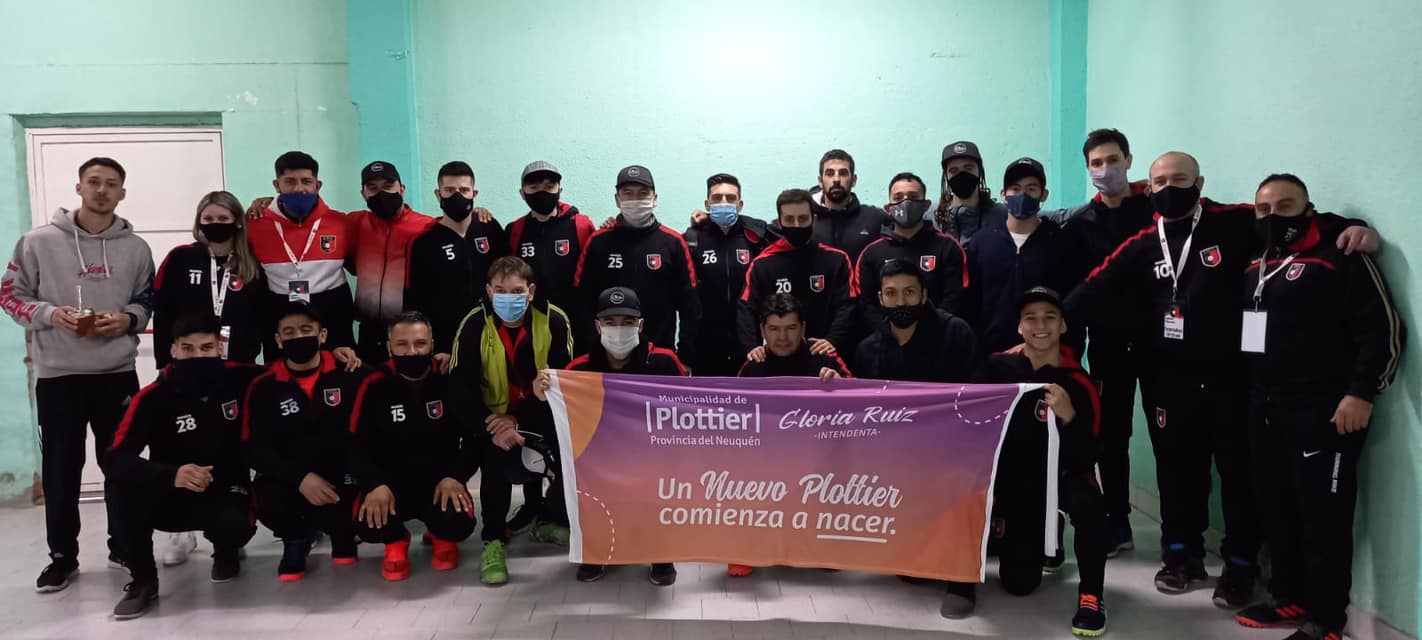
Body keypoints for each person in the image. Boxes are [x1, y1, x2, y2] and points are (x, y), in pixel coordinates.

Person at [1065, 151, 1378, 607]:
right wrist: (1043, 331)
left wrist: (1352, 227)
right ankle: (1181, 555)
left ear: (1199, 183)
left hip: (1232, 380)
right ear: (1148, 189)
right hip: (1169, 380)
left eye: (1180, 179)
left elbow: (1291, 218)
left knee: (1239, 476)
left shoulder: (1233, 221)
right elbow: (1093, 286)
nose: (1169, 188)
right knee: (1177, 473)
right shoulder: (1143, 241)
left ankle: (1239, 566)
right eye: (1159, 181)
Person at [1231, 174, 1404, 640]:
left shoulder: (1340, 256)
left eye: (1285, 207)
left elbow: (1383, 330)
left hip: (1325, 410)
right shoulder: (1257, 262)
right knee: (1276, 509)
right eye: (1264, 209)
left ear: (1309, 211)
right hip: (1265, 407)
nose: (1273, 217)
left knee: (1323, 517)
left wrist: (1361, 392)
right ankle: (1287, 596)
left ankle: (1326, 619)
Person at [1, 157, 155, 593]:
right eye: (94, 182)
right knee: (61, 470)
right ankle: (62, 557)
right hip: (58, 376)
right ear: (79, 187)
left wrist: (128, 319)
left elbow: (148, 298)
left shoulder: (136, 248)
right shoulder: (37, 242)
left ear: (122, 192)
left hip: (117, 374)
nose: (102, 190)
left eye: (111, 184)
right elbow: (9, 295)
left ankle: (123, 546)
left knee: (121, 464)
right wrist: (50, 314)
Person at [961, 287, 1107, 636]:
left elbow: (1090, 453)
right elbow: (968, 418)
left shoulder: (1079, 382)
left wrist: (1069, 416)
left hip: (1061, 475)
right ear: (1019, 326)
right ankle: (1039, 531)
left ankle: (1091, 595)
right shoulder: (998, 367)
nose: (1040, 326)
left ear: (1063, 326)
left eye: (1049, 318)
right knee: (1019, 584)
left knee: (1089, 502)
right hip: (1016, 480)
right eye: (1031, 318)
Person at [104, 313, 262, 619]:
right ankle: (143, 580)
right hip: (172, 490)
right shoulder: (151, 397)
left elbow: (291, 372)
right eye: (188, 349)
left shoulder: (241, 377)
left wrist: (337, 356)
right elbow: (115, 459)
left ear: (219, 347)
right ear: (174, 350)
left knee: (235, 524)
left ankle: (226, 551)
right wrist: (171, 474)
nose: (198, 355)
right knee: (121, 488)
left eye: (206, 348)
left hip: (227, 488)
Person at [149, 190, 263, 567]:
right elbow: (162, 313)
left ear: (237, 222)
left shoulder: (250, 263)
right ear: (199, 221)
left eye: (223, 219)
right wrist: (165, 362)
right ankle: (181, 532)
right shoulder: (181, 259)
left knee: (231, 447)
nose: (216, 225)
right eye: (209, 219)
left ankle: (228, 531)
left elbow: (263, 317)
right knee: (181, 443)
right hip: (187, 367)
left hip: (236, 372)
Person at [447, 256, 575, 585]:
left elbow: (565, 383)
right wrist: (492, 424)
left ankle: (547, 519)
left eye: (517, 291)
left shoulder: (554, 320)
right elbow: (459, 388)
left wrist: (517, 418)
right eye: (500, 290)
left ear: (530, 291)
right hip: (490, 419)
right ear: (489, 292)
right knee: (495, 461)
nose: (509, 297)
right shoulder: (474, 323)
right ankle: (492, 539)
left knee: (570, 465)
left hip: (542, 413)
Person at [1058, 129, 1157, 556]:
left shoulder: (1156, 208)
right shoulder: (1080, 224)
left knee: (1172, 439)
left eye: (1113, 160)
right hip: (1107, 345)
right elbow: (1076, 293)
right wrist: (1069, 354)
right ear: (1087, 169)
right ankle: (1118, 520)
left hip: (1161, 344)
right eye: (1096, 163)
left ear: (1129, 160)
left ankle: (1179, 536)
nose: (1105, 169)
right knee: (1113, 437)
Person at [562, 287, 684, 585]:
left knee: (662, 479)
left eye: (627, 322)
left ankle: (661, 552)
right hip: (601, 458)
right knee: (581, 483)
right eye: (611, 321)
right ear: (598, 326)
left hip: (652, 456)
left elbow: (687, 410)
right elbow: (561, 411)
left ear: (640, 325)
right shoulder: (579, 369)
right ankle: (596, 550)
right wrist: (544, 392)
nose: (619, 329)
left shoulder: (664, 363)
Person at [242, 302, 371, 581]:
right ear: (278, 340)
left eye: (306, 330)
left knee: (354, 505)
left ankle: (343, 534)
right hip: (293, 479)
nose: (298, 337)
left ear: (322, 335)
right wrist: (300, 478)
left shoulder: (350, 372)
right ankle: (296, 539)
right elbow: (254, 448)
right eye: (289, 332)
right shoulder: (264, 386)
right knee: (268, 498)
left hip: (341, 476)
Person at [724, 293, 850, 577]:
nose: (782, 337)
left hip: (818, 464)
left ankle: (821, 542)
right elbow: (734, 420)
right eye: (774, 329)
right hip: (766, 463)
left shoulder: (823, 357)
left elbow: (864, 406)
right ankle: (745, 546)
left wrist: (840, 385)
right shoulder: (754, 365)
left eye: (791, 328)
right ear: (762, 330)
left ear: (803, 328)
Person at [348, 312, 479, 582]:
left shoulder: (448, 379)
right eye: (402, 344)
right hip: (391, 484)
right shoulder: (373, 384)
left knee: (458, 523)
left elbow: (473, 437)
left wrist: (456, 476)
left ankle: (441, 535)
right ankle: (396, 540)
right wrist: (374, 484)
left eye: (420, 344)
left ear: (432, 344)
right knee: (368, 523)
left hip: (439, 482)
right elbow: (354, 445)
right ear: (389, 347)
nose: (411, 352)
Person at [574, 165, 700, 364]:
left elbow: (689, 306)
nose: (635, 199)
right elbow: (582, 301)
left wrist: (685, 356)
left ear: (654, 198)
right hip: (605, 358)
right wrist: (591, 349)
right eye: (628, 193)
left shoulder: (673, 243)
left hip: (659, 357)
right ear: (617, 199)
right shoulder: (598, 242)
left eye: (643, 193)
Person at [247, 151, 359, 364]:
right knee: (282, 377)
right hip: (281, 314)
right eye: (290, 182)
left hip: (333, 314)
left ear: (318, 185)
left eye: (306, 181)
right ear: (277, 185)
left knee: (341, 375)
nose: (299, 189)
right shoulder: (254, 224)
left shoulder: (341, 223)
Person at [963, 157, 1082, 353]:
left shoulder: (1062, 242)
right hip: (991, 358)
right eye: (1015, 189)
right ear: (1003, 194)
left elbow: (1073, 303)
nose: (1022, 195)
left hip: (1047, 357)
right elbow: (970, 304)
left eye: (1031, 189)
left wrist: (1070, 353)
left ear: (1044, 195)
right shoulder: (981, 243)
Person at [406, 161, 509, 359]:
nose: (457, 196)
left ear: (474, 194)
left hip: (494, 334)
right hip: (446, 343)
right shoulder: (424, 242)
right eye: (449, 190)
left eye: (464, 190)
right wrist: (433, 345)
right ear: (438, 194)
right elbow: (417, 300)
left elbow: (509, 275)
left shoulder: (490, 228)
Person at [738, 189, 857, 357]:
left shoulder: (836, 260)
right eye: (789, 219)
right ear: (779, 222)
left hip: (826, 354)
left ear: (814, 220)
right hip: (779, 357)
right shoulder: (762, 265)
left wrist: (833, 340)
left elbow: (847, 305)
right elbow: (747, 308)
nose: (796, 225)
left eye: (802, 219)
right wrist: (752, 347)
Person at [346, 161, 437, 364]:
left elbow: (458, 228)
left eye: (388, 186)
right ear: (363, 193)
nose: (381, 193)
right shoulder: (355, 223)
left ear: (401, 188)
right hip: (368, 329)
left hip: (410, 331)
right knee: (371, 380)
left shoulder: (427, 226)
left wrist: (476, 213)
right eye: (373, 188)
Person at [682, 173, 769, 375]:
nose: (723, 203)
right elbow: (685, 298)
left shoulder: (755, 238)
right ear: (707, 204)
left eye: (730, 198)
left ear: (740, 205)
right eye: (717, 198)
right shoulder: (692, 239)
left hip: (749, 343)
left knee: (747, 394)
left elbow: (786, 235)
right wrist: (685, 352)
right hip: (704, 345)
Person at [857, 172, 968, 328]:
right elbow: (867, 305)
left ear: (926, 205)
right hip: (886, 338)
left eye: (913, 196)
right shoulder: (871, 253)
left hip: (938, 336)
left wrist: (929, 332)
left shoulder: (948, 247)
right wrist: (892, 335)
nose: (906, 202)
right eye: (898, 197)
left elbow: (954, 299)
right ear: (888, 208)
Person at [506, 161, 596, 353]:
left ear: (559, 190)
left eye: (549, 187)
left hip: (578, 325)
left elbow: (594, 274)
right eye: (534, 187)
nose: (542, 192)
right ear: (522, 193)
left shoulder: (581, 225)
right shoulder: (515, 230)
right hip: (531, 325)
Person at [853, 258, 979, 383]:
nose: (901, 302)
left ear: (923, 295)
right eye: (891, 293)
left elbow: (977, 388)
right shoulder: (867, 350)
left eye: (909, 292)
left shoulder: (956, 333)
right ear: (881, 299)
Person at [810, 149, 890, 263]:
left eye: (843, 173)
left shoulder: (876, 218)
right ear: (820, 181)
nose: (836, 179)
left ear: (853, 180)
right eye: (830, 174)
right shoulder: (804, 220)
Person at [935, 140, 1007, 243]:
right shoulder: (932, 217)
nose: (961, 175)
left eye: (968, 168)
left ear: (980, 172)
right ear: (946, 176)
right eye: (953, 170)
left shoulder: (1001, 214)